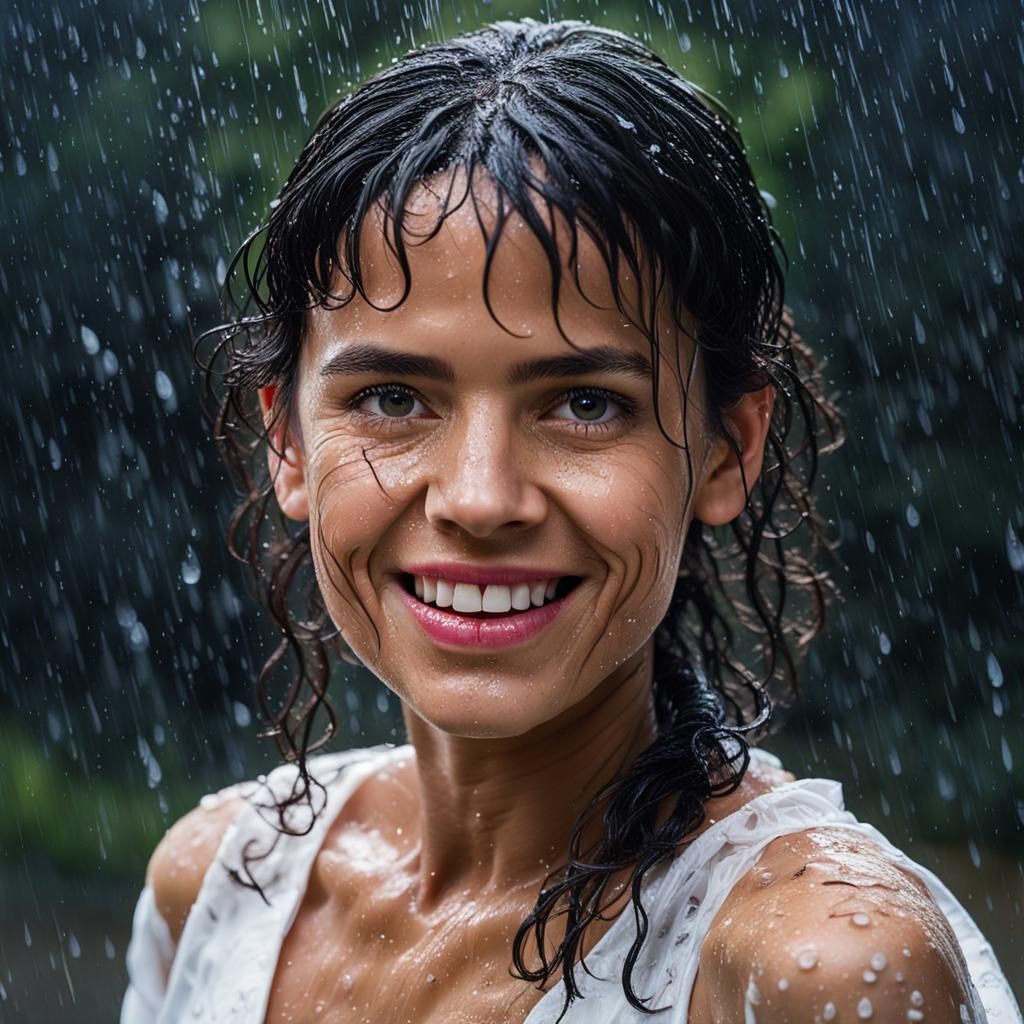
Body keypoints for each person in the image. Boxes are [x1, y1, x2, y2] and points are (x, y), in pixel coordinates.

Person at [121, 18, 1020, 1024]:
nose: (478, 496)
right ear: (285, 442)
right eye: (392, 397)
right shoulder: (221, 889)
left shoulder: (809, 965)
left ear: (726, 448)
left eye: (584, 404)